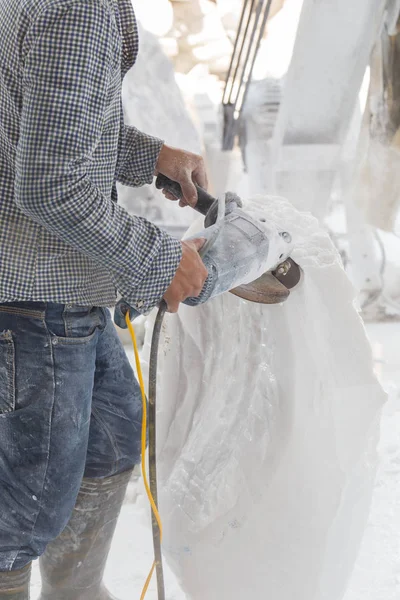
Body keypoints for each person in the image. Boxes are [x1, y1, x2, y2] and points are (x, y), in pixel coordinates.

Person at [0, 0, 208, 597]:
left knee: (114, 435)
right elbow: (52, 181)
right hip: (38, 299)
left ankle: (76, 593)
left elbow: (52, 117)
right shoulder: (77, 8)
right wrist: (158, 259)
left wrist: (151, 157)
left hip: (62, 291)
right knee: (23, 514)